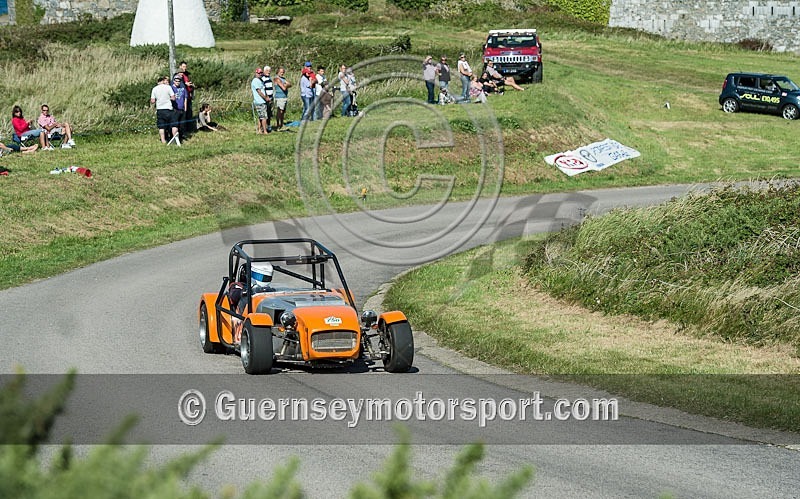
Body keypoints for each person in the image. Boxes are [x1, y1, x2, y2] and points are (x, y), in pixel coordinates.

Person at [149, 76, 179, 144]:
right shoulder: (168, 87)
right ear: (163, 81)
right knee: (174, 125)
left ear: (158, 82)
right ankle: (175, 139)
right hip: (168, 108)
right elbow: (173, 98)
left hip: (160, 109)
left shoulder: (154, 89)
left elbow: (152, 101)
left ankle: (163, 140)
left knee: (161, 126)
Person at [177, 61, 196, 132]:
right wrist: (186, 84)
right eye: (183, 67)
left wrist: (191, 86)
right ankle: (183, 130)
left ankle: (189, 128)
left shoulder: (186, 75)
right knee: (184, 114)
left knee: (189, 113)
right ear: (180, 67)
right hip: (183, 97)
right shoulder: (178, 76)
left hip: (188, 96)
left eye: (185, 67)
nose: (185, 68)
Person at [251, 67, 269, 134]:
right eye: (259, 73)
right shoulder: (255, 81)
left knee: (260, 116)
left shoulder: (260, 80)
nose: (260, 74)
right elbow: (259, 91)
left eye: (261, 73)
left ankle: (259, 130)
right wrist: (265, 98)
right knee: (264, 117)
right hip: (259, 101)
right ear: (256, 73)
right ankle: (264, 130)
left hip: (262, 101)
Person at [261, 65, 274, 132]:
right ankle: (264, 127)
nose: (269, 72)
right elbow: (263, 89)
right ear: (264, 71)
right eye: (267, 71)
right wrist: (266, 97)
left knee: (269, 113)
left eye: (269, 71)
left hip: (271, 97)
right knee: (265, 113)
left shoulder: (269, 78)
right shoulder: (263, 78)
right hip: (266, 98)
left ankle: (268, 126)